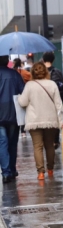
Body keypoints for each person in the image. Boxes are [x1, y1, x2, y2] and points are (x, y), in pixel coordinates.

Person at [18, 62, 63, 180]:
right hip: (50, 120)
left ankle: (40, 173)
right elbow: (59, 104)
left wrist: (20, 97)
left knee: (37, 146)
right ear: (45, 72)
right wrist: (62, 121)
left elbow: (22, 102)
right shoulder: (52, 84)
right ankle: (50, 170)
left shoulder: (29, 85)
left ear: (33, 73)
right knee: (50, 145)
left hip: (34, 120)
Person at [0, 55, 25, 183]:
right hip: (14, 114)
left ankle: (5, 172)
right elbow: (23, 92)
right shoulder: (15, 74)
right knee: (12, 143)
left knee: (2, 143)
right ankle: (12, 168)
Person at [42, 52, 63, 149]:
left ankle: (48, 139)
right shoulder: (57, 71)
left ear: (43, 60)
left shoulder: (41, 72)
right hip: (56, 99)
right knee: (56, 119)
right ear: (53, 60)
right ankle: (55, 140)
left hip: (44, 100)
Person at [13, 58, 31, 138]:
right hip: (21, 94)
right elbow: (30, 77)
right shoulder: (23, 72)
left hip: (13, 95)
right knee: (22, 113)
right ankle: (23, 131)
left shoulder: (12, 72)